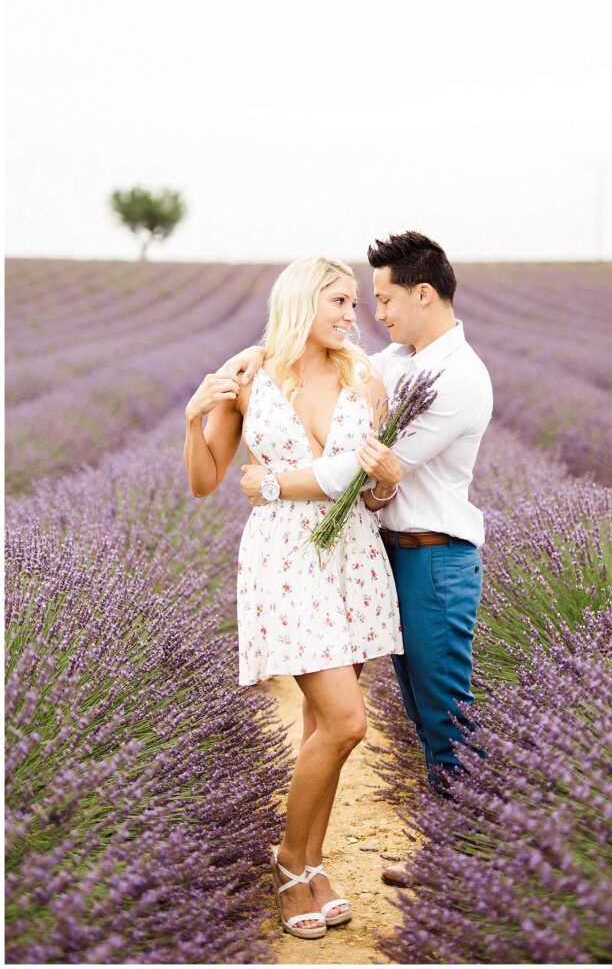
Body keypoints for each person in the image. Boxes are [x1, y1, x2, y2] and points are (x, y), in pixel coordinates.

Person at [225, 231, 493, 884]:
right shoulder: (401, 360)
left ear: (423, 294)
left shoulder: (460, 379)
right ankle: (427, 853)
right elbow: (336, 362)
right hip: (378, 558)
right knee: (412, 713)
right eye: (357, 300)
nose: (374, 314)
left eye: (383, 298)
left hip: (434, 561)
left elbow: (360, 469)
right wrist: (265, 350)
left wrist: (271, 485)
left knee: (441, 715)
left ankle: (460, 862)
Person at [183, 256, 404, 937]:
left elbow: (367, 489)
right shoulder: (249, 372)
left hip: (353, 558)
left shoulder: (366, 380)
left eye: (355, 303)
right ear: (304, 301)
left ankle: (312, 863)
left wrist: (384, 482)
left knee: (322, 729)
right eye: (339, 301)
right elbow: (206, 479)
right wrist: (196, 417)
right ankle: (286, 862)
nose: (352, 314)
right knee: (346, 721)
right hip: (285, 559)